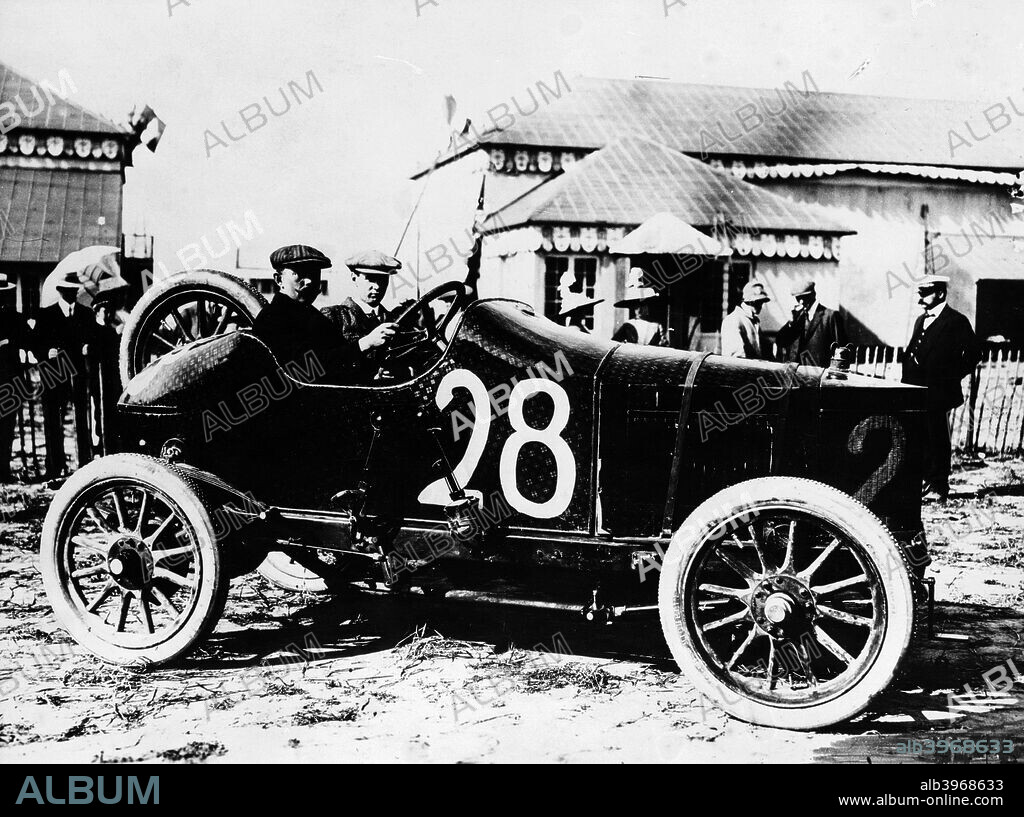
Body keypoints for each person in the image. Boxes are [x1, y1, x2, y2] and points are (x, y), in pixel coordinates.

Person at [901, 274, 980, 502]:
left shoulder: (955, 321)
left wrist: (951, 375)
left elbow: (974, 353)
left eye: (926, 293)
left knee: (937, 439)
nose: (921, 298)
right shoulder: (920, 320)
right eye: (920, 293)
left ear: (941, 293)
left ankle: (939, 486)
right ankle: (925, 481)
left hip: (939, 393)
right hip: (915, 391)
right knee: (919, 438)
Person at [33, 274, 95, 478]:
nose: (72, 294)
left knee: (81, 418)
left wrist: (88, 346)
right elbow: (35, 343)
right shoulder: (46, 315)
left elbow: (95, 339)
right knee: (52, 418)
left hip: (77, 372)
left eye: (75, 291)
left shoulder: (86, 314)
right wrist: (46, 352)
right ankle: (54, 465)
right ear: (60, 291)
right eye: (68, 291)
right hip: (53, 371)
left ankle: (84, 463)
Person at [252, 244, 339, 381]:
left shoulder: (314, 316)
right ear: (279, 280)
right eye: (300, 273)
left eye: (314, 274)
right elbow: (303, 369)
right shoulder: (272, 318)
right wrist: (362, 346)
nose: (309, 281)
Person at [320, 250, 402, 383]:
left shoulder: (394, 319)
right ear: (354, 278)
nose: (377, 286)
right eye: (370, 279)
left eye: (382, 279)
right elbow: (326, 367)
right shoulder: (333, 317)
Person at [774, 279, 845, 367]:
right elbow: (781, 342)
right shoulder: (797, 317)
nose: (801, 302)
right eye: (798, 298)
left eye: (804, 297)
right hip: (797, 373)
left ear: (813, 295)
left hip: (819, 373)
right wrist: (790, 323)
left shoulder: (830, 316)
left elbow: (840, 350)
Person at [0, 273, 29, 482]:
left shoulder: (15, 318)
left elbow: (31, 340)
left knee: (7, 428)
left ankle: (3, 469)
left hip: (10, 380)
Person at [612, 267, 667, 346]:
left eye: (642, 307)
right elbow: (613, 344)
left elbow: (664, 347)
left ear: (647, 307)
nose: (639, 310)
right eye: (636, 307)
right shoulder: (628, 325)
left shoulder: (657, 326)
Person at [721, 281, 770, 359]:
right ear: (748, 301)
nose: (760, 305)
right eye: (757, 302)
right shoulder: (733, 320)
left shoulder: (753, 321)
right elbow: (737, 357)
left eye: (762, 302)